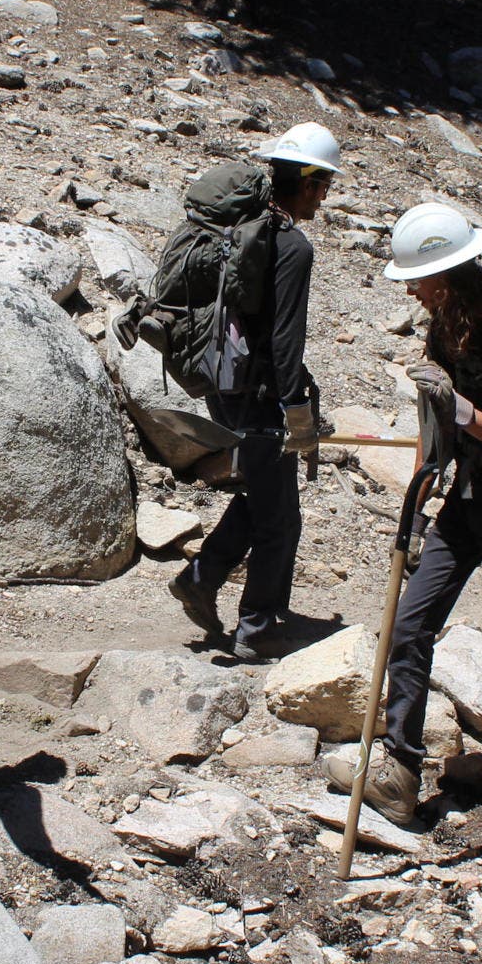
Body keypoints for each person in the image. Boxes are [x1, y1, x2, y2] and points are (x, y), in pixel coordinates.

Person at [322, 202, 482, 846]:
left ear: (451, 273)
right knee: (409, 623)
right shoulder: (445, 330)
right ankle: (401, 770)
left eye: (419, 278)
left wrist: (459, 412)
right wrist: (437, 456)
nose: (410, 290)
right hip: (468, 497)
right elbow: (449, 421)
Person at [168, 122, 339, 663]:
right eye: (325, 184)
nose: (325, 196)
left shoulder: (243, 235)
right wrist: (297, 413)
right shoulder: (290, 246)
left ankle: (202, 576)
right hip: (262, 395)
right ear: (309, 183)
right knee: (280, 519)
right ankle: (256, 628)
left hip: (223, 382)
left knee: (265, 495)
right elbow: (285, 337)